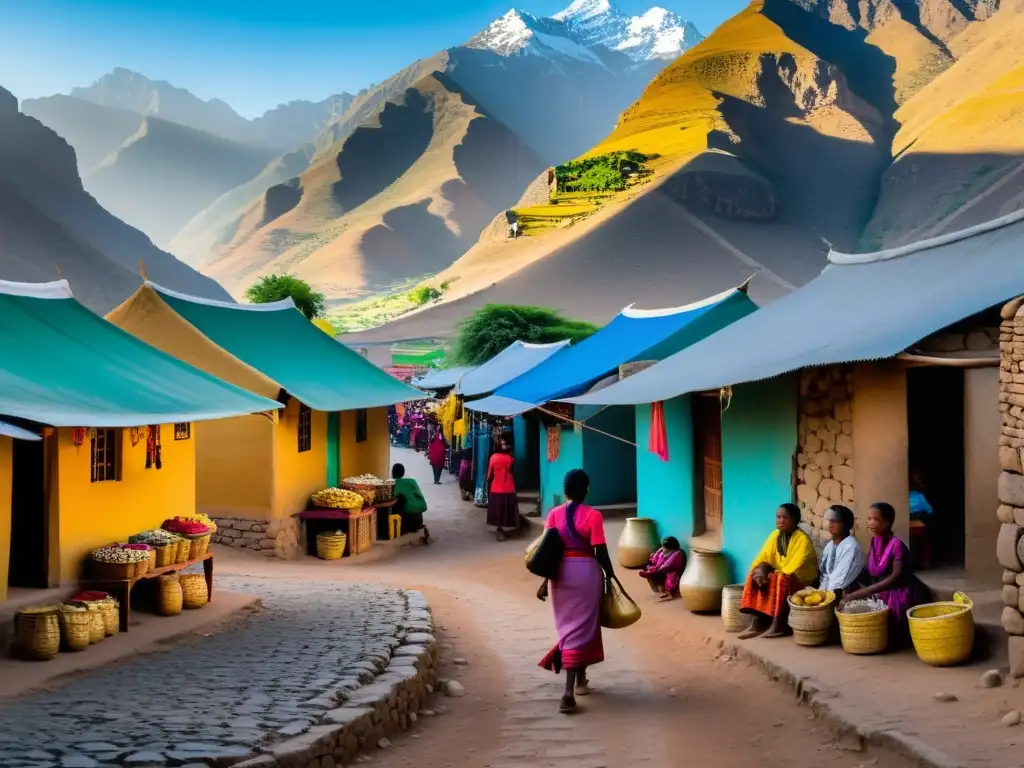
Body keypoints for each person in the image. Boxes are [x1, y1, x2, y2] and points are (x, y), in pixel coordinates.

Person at [536, 469, 614, 714]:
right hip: (586, 574)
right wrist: (611, 574)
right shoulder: (593, 516)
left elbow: (548, 552)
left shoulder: (553, 515)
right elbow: (600, 552)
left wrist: (543, 582)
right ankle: (571, 688)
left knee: (569, 629)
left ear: (567, 490)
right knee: (586, 626)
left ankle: (578, 682)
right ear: (586, 489)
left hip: (560, 575)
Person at [840, 502, 930, 645]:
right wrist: (850, 582)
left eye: (876, 519)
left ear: (888, 522)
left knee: (885, 620)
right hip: (882, 589)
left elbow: (895, 578)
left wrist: (859, 594)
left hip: (900, 591)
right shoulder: (874, 542)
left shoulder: (896, 545)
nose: (871, 523)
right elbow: (869, 570)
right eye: (869, 519)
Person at [739, 503, 818, 639]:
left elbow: (792, 568)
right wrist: (760, 570)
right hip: (783, 573)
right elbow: (763, 557)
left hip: (802, 581)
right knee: (755, 572)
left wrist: (771, 573)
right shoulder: (775, 536)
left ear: (794, 520)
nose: (780, 520)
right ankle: (758, 620)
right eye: (778, 517)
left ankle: (779, 625)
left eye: (785, 518)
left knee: (780, 578)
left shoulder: (802, 540)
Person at [818, 505, 866, 602]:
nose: (830, 525)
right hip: (831, 594)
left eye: (835, 521)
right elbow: (826, 575)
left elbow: (839, 582)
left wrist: (825, 600)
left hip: (846, 596)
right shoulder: (830, 545)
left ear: (846, 524)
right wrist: (820, 594)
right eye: (829, 521)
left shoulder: (851, 546)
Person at [486, 436, 518, 541]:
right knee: (506, 509)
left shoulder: (493, 458)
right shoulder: (510, 459)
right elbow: (512, 471)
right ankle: (504, 528)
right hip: (509, 487)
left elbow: (489, 474)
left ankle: (499, 529)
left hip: (496, 488)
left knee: (497, 510)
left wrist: (488, 483)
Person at [392, 463, 429, 544]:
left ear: (392, 473)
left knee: (397, 502)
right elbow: (419, 496)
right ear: (403, 473)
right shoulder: (412, 481)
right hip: (418, 516)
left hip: (405, 516)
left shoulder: (391, 484)